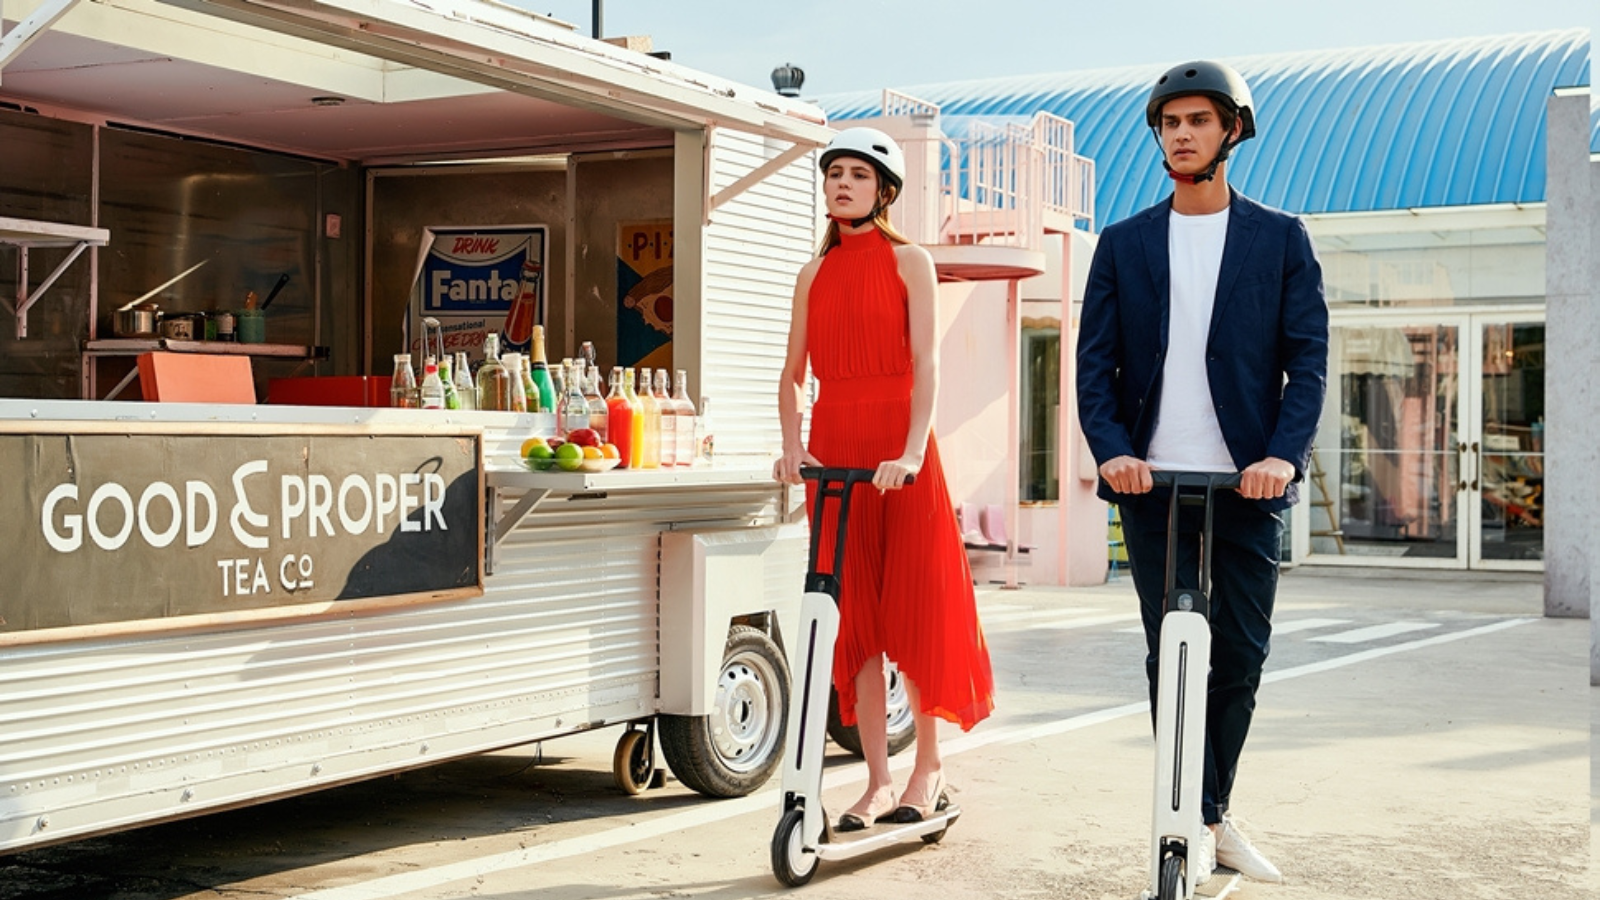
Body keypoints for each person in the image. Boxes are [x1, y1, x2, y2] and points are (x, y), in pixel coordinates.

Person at [1076, 61, 1328, 884]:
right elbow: (1095, 367)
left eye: (1197, 120)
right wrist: (1113, 450)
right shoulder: (1123, 243)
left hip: (1246, 484)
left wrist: (1281, 457)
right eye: (1168, 122)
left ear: (1232, 132)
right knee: (1170, 654)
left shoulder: (1281, 237)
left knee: (1242, 655)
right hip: (1153, 484)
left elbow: (1308, 360)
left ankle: (1208, 810)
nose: (1180, 133)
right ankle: (1189, 812)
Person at [773, 126, 995, 831]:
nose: (842, 183)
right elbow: (790, 375)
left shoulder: (911, 262)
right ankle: (875, 780)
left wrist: (909, 449)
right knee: (850, 619)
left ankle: (926, 770)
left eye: (857, 175)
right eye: (833, 173)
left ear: (884, 190)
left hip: (901, 454)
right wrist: (790, 447)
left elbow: (926, 365)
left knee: (916, 603)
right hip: (835, 448)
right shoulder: (813, 274)